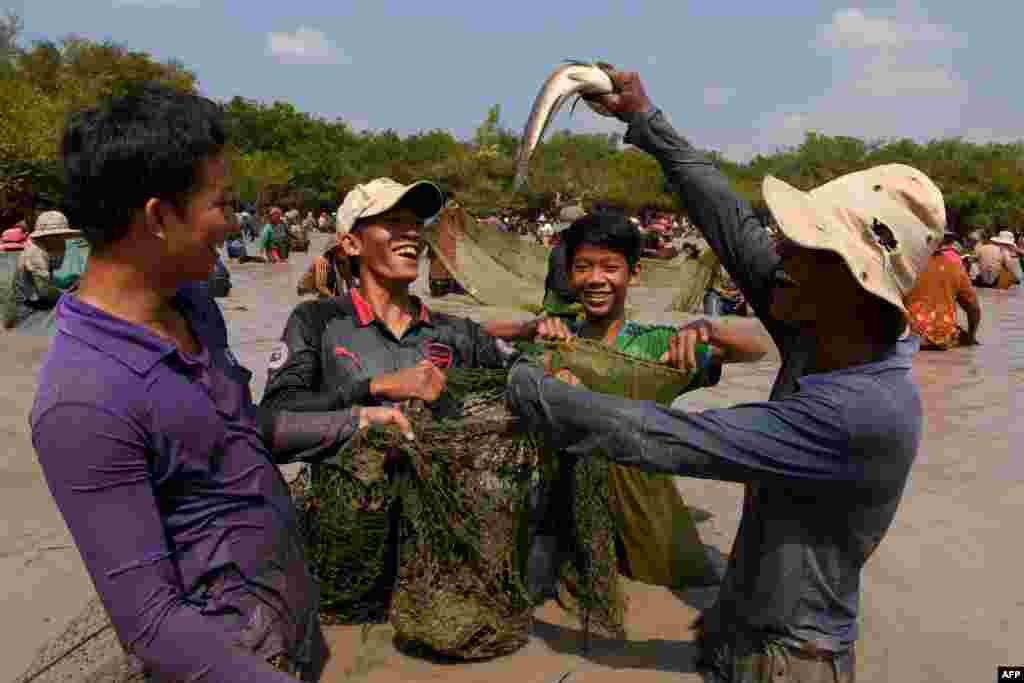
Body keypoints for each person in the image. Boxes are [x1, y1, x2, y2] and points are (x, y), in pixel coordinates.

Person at [507, 69, 945, 683]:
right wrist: (645, 119)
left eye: (803, 248)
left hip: (790, 656)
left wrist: (531, 389)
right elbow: (732, 225)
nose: (780, 255)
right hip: (733, 625)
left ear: (854, 284)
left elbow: (667, 440)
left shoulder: (863, 411)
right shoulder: (816, 322)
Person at [30, 84, 414, 682]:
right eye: (222, 205)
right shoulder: (83, 402)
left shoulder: (194, 305)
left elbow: (234, 432)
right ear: (160, 216)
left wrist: (355, 418)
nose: (233, 224)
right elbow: (153, 626)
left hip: (288, 623)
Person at [532, 213, 769, 590]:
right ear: (569, 272)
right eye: (583, 267)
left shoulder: (657, 346)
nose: (596, 279)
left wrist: (708, 327)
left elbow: (760, 347)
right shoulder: (555, 343)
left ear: (634, 273)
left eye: (610, 267)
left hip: (643, 518)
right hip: (563, 516)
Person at [3, 211, 83, 329]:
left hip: (37, 298)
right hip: (26, 306)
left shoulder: (51, 246)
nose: (61, 240)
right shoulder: (35, 252)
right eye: (56, 236)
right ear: (45, 236)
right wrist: (72, 294)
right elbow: (45, 289)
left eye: (62, 235)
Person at [905, 232, 981, 350]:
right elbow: (973, 308)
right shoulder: (955, 263)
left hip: (906, 335)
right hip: (940, 336)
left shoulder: (904, 259)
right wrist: (971, 336)